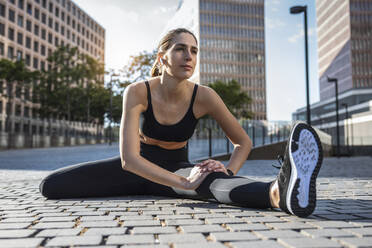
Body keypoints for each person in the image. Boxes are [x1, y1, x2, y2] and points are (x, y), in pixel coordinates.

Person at [40, 28, 323, 218]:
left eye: (194, 51)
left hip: (177, 167)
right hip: (133, 170)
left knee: (212, 186)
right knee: (51, 186)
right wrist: (183, 184)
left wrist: (226, 169)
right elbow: (129, 159)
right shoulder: (138, 91)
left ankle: (277, 193)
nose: (189, 56)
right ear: (163, 58)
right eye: (181, 49)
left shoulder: (205, 96)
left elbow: (243, 142)